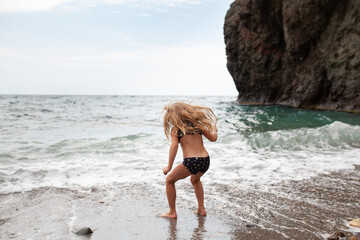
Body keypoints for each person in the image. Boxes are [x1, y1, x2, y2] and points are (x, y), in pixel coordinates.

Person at [161, 102, 218, 219]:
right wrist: (214, 130)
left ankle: (172, 212)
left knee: (169, 180)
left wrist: (169, 166)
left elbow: (174, 146)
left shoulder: (176, 129)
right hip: (205, 160)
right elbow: (213, 138)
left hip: (191, 161)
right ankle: (201, 209)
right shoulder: (197, 125)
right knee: (195, 180)